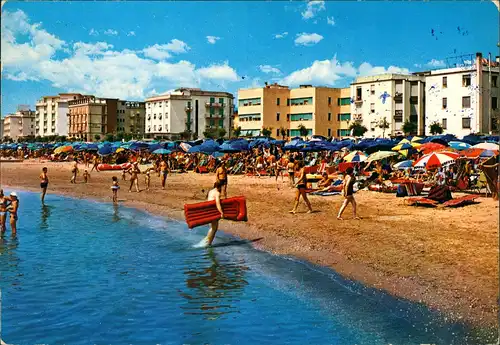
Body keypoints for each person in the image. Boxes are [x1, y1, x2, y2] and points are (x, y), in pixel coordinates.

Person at [201, 181, 225, 246]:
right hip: (213, 211)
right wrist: (221, 212)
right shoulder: (217, 193)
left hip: (209, 210)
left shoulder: (211, 191)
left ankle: (207, 242)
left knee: (212, 228)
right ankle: (207, 243)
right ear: (219, 187)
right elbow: (218, 203)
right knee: (214, 228)